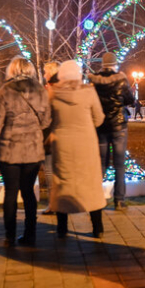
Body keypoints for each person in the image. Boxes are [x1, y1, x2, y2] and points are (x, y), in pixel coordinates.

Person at [0, 57, 51, 247]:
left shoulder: (5, 91)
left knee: (10, 192)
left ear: (12, 70)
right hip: (32, 149)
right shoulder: (40, 91)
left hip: (9, 150)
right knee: (28, 192)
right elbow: (47, 121)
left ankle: (9, 236)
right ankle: (30, 234)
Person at [47, 61, 107, 238]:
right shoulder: (88, 92)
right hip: (86, 144)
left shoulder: (53, 93)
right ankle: (97, 227)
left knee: (62, 183)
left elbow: (48, 119)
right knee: (91, 183)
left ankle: (62, 228)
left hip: (62, 144)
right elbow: (99, 118)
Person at [90, 53, 135, 210]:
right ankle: (119, 200)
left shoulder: (94, 80)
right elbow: (130, 99)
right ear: (115, 64)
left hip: (101, 126)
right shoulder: (121, 79)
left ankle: (96, 199)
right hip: (118, 126)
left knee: (101, 164)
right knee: (119, 164)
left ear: (103, 64)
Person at [41, 61, 60, 215]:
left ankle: (54, 205)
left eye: (45, 72)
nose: (43, 75)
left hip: (49, 135)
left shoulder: (51, 91)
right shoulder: (61, 89)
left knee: (49, 171)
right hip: (58, 135)